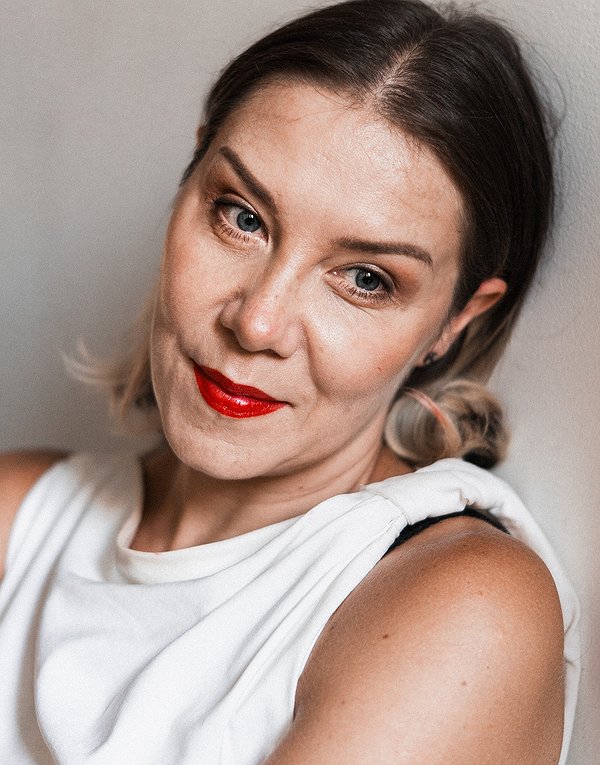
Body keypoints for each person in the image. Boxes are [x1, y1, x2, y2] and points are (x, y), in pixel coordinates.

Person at [0, 0, 580, 763]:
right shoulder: (20, 516)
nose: (257, 322)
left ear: (455, 321)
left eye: (366, 278)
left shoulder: (469, 606)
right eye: (242, 217)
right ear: (190, 177)